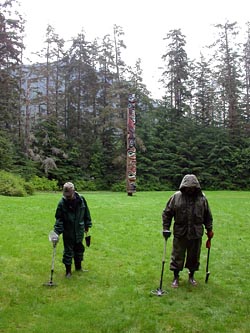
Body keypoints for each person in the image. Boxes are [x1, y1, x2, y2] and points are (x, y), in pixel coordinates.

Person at [162, 174, 213, 288]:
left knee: (194, 256)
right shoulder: (176, 197)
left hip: (196, 233)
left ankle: (191, 276)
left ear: (196, 187)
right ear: (184, 186)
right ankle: (176, 277)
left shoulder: (202, 198)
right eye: (188, 187)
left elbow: (207, 216)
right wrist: (166, 228)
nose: (190, 189)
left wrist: (209, 230)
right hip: (181, 232)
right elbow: (167, 213)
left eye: (192, 187)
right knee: (177, 255)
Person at [54, 182, 92, 278]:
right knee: (68, 251)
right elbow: (59, 219)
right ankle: (68, 272)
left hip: (79, 229)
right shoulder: (62, 203)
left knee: (79, 249)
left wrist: (87, 225)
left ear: (73, 191)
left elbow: (86, 212)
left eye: (69, 195)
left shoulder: (81, 200)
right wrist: (57, 232)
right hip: (68, 231)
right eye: (66, 195)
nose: (68, 197)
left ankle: (79, 268)